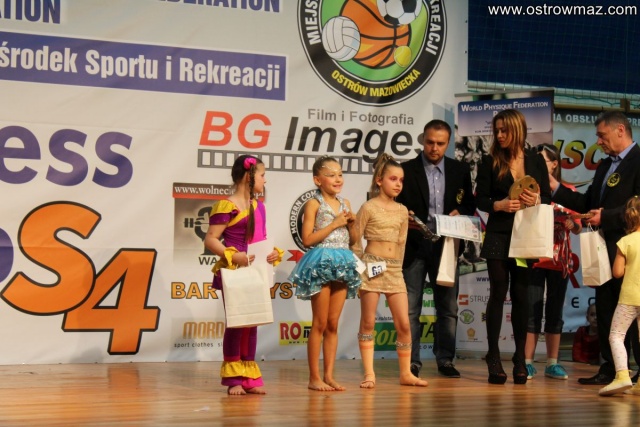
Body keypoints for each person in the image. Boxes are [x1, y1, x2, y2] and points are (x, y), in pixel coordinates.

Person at [549, 111, 640, 386]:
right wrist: (555, 188)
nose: (598, 141)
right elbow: (588, 202)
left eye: (602, 135)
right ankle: (611, 368)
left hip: (632, 251)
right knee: (606, 308)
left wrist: (607, 217)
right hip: (604, 250)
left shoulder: (638, 161)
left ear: (620, 130)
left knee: (634, 311)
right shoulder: (604, 165)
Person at [475, 109, 551, 384]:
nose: (499, 135)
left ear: (517, 130)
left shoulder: (536, 160)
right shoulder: (489, 161)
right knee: (498, 292)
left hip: (525, 235)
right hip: (498, 234)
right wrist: (499, 205)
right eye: (496, 130)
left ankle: (520, 358)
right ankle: (493, 356)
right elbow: (480, 199)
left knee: (521, 294)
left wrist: (536, 199)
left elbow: (547, 197)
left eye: (504, 130)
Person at [396, 119, 475, 378]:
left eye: (440, 143)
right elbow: (394, 204)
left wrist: (460, 211)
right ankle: (411, 361)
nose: (434, 148)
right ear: (423, 140)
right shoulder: (406, 169)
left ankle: (445, 360)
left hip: (447, 245)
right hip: (414, 245)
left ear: (448, 143)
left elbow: (469, 204)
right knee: (411, 308)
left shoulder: (459, 169)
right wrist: (404, 216)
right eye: (430, 142)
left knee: (448, 308)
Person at [204, 155, 283, 396]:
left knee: (252, 324)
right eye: (262, 175)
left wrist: (271, 253)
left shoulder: (259, 207)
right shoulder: (226, 206)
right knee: (237, 323)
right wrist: (233, 255)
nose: (265, 180)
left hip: (256, 271)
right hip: (235, 271)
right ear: (248, 176)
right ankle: (233, 378)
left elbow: (261, 239)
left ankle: (249, 376)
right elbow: (211, 239)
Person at [351, 154, 429, 388]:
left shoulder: (403, 210)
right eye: (393, 179)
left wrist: (397, 268)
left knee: (404, 324)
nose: (398, 184)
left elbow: (402, 243)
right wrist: (361, 268)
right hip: (371, 268)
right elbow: (354, 241)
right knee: (368, 322)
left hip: (394, 270)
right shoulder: (368, 207)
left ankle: (405, 373)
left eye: (401, 180)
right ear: (379, 180)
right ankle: (369, 373)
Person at [288, 156, 361, 391]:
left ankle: (329, 376)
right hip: (321, 262)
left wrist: (352, 224)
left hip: (343, 262)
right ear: (317, 180)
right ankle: (314, 378)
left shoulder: (345, 203)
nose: (337, 179)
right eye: (331, 175)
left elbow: (354, 240)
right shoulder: (313, 203)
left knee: (332, 323)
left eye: (340, 174)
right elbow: (307, 239)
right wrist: (334, 223)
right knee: (319, 323)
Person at [525, 143, 582, 381]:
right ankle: (527, 362)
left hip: (560, 259)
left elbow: (578, 226)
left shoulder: (567, 190)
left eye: (543, 161)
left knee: (555, 310)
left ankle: (552, 363)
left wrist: (571, 223)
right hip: (535, 257)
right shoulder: (528, 189)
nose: (538, 165)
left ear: (555, 164)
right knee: (531, 310)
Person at [599, 196, 640, 396]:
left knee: (616, 334)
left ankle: (622, 375)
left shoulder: (625, 242)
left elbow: (617, 272)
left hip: (629, 298)